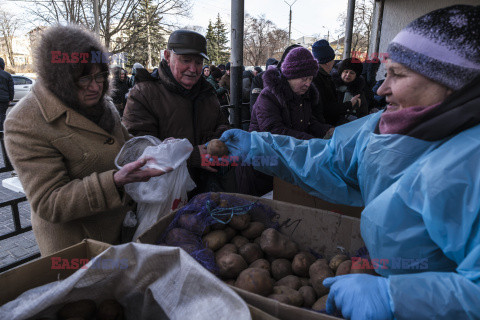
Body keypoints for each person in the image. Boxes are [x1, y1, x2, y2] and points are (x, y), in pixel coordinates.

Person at [219, 5, 480, 319]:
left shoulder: (471, 164)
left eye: (397, 75)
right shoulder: (386, 126)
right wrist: (256, 145)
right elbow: (328, 160)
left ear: (452, 84)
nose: (382, 89)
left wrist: (399, 299)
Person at [4, 25, 170, 256]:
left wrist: (157, 149)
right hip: (77, 246)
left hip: (121, 232)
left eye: (100, 75)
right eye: (84, 78)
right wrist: (115, 181)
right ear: (60, 79)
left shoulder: (103, 105)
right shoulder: (24, 122)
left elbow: (124, 143)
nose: (95, 86)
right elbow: (49, 202)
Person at [122, 29, 234, 198]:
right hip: (164, 194)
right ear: (167, 56)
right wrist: (190, 156)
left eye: (198, 62)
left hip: (208, 188)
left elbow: (221, 124)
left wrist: (221, 142)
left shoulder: (207, 93)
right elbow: (138, 150)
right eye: (186, 60)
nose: (193, 69)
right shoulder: (144, 94)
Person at [250, 46, 331, 139]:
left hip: (292, 148)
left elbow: (308, 122)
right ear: (290, 77)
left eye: (310, 79)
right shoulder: (268, 96)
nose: (308, 84)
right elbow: (274, 131)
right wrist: (310, 140)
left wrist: (327, 130)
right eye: (304, 79)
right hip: (264, 149)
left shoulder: (303, 95)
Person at [311, 40, 360, 126]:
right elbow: (326, 109)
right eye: (332, 59)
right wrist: (350, 104)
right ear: (327, 62)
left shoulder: (324, 76)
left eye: (352, 73)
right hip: (326, 126)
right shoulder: (317, 79)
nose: (334, 62)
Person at [332, 58, 369, 122]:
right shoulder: (332, 87)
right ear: (341, 72)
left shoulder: (358, 92)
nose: (348, 75)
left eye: (351, 73)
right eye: (346, 71)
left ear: (356, 76)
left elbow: (363, 114)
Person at [0, 57, 14, 131]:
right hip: (4, 99)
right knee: (2, 115)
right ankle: (2, 131)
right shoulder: (7, 75)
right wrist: (10, 99)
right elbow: (11, 89)